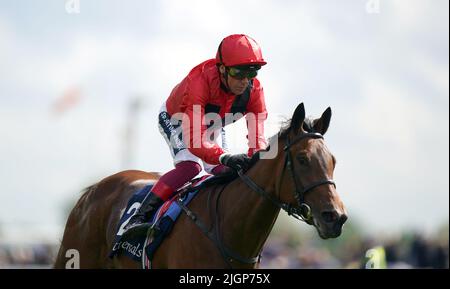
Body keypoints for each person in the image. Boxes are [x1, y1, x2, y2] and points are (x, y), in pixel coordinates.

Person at [123, 34, 269, 237]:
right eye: (238, 72)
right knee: (190, 167)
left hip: (210, 123)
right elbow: (195, 141)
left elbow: (257, 140)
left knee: (227, 170)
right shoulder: (199, 82)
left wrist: (257, 162)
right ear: (222, 68)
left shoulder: (255, 90)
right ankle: (138, 218)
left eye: (252, 72)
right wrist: (224, 155)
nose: (244, 81)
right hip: (178, 119)